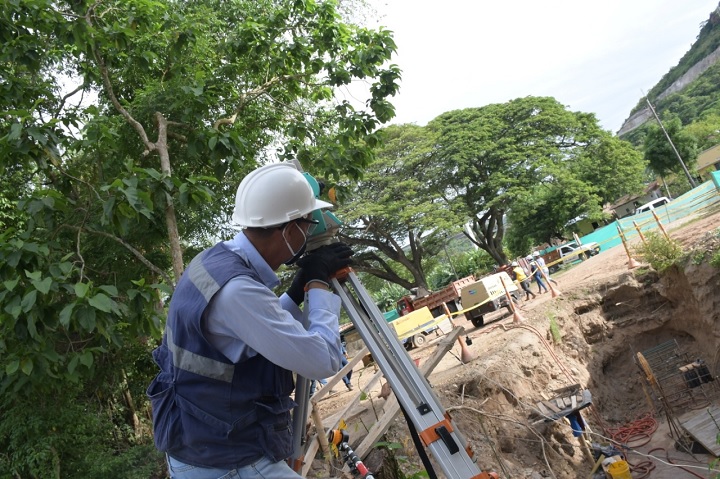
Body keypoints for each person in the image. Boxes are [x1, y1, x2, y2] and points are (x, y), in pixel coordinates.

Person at [147, 162, 354, 479]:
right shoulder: (237, 290)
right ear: (290, 231)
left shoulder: (212, 262)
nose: (309, 232)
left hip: (200, 447)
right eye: (308, 224)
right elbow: (323, 360)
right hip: (226, 461)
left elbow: (250, 330)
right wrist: (316, 283)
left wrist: (295, 292)